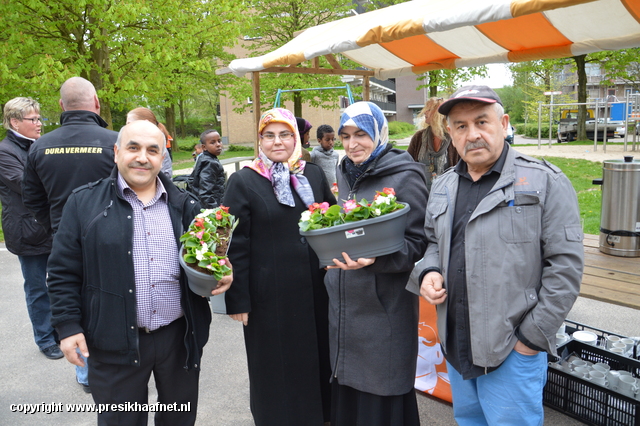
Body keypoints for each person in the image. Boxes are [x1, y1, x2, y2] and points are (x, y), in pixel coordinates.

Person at [412, 85, 584, 425]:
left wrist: (530, 340)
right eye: (461, 126)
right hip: (458, 347)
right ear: (450, 133)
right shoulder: (444, 185)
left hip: (511, 351)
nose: (472, 134)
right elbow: (432, 242)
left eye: (482, 122)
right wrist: (428, 271)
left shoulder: (544, 181)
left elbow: (565, 269)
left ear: (503, 123)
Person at [47, 120, 225, 425]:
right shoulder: (83, 203)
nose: (142, 157)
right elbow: (63, 271)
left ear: (161, 157)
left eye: (152, 150)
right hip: (112, 341)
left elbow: (210, 261)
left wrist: (221, 273)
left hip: (179, 339)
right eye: (133, 147)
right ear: (117, 153)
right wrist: (68, 327)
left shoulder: (186, 205)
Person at [224, 108, 335, 426]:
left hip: (316, 290)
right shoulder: (243, 180)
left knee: (317, 358)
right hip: (268, 297)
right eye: (269, 135)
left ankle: (321, 416)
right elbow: (234, 243)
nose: (277, 141)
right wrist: (238, 299)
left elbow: (330, 220)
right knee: (275, 365)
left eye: (284, 134)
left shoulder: (312, 174)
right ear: (260, 140)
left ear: (296, 138)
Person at [325, 101, 428, 426]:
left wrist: (377, 259)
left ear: (379, 133)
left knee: (380, 399)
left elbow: (417, 244)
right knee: (351, 394)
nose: (352, 143)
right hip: (345, 308)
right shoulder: (345, 170)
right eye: (345, 135)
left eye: (361, 134)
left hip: (383, 311)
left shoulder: (405, 175)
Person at [22, 76, 118, 392]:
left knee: (72, 302)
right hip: (113, 238)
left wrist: (58, 229)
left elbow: (32, 200)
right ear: (97, 104)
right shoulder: (115, 141)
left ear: (62, 106)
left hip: (63, 242)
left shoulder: (39, 147)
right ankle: (120, 366)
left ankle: (86, 373)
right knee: (116, 301)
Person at [0, 97, 61, 360]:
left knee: (61, 283)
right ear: (15, 121)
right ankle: (45, 337)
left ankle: (60, 331)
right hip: (27, 230)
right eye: (34, 119)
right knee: (38, 288)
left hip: (52, 226)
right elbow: (23, 184)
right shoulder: (5, 151)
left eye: (40, 119)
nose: (39, 124)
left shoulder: (40, 145)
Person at [407, 96, 459, 191]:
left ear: (440, 114)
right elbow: (408, 165)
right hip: (421, 194)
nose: (425, 112)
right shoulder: (418, 137)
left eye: (429, 109)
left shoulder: (454, 137)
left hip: (448, 195)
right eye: (426, 109)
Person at [126, 107, 173, 178]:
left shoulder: (156, 141)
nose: (126, 127)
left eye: (130, 124)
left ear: (146, 123)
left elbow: (163, 174)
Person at [189, 129, 225, 208]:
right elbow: (205, 193)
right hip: (211, 207)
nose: (218, 144)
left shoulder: (203, 158)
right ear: (204, 147)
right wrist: (216, 211)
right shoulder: (210, 163)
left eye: (219, 141)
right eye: (213, 142)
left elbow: (192, 180)